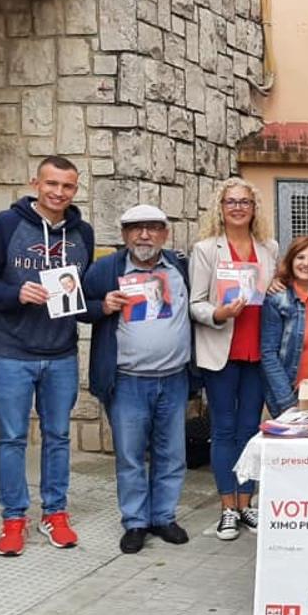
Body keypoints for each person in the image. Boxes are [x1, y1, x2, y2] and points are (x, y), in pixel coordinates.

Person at [0, 156, 96, 556]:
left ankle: (54, 513)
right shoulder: (6, 225)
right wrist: (15, 294)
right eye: (51, 184)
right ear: (35, 183)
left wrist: (104, 304)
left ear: (76, 190)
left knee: (58, 437)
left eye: (68, 186)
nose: (59, 193)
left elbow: (80, 295)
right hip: (12, 353)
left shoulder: (83, 234)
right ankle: (13, 518)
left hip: (60, 353)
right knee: (13, 439)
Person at [83, 205, 192, 554]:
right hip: (128, 381)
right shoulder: (106, 269)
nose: (144, 235)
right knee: (130, 456)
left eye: (152, 228)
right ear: (124, 234)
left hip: (173, 379)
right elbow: (76, 305)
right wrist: (103, 306)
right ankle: (134, 522)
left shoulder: (179, 268)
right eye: (135, 229)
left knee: (171, 454)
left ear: (165, 233)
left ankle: (163, 516)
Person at [189, 177, 279, 541]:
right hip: (221, 349)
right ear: (221, 208)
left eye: (245, 201)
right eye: (231, 202)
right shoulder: (206, 249)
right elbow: (195, 303)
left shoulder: (269, 247)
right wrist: (220, 314)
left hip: (258, 350)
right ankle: (227, 508)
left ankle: (247, 502)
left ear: (254, 208)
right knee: (224, 430)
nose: (238, 207)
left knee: (251, 430)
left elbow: (274, 291)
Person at [260, 237, 308, 415]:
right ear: (291, 260)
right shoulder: (278, 300)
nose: (306, 264)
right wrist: (287, 402)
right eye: (300, 257)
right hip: (292, 396)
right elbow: (268, 354)